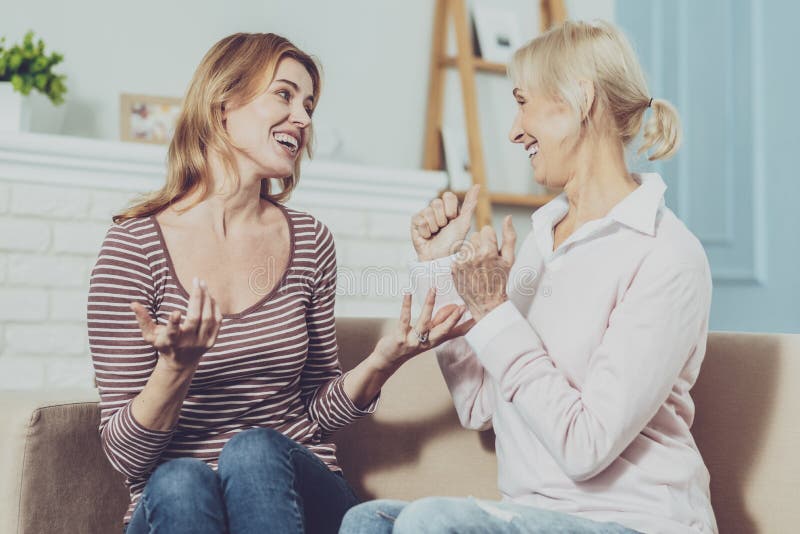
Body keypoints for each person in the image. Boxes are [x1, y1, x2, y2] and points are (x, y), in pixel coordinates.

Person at [341, 19, 718, 534]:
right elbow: (479, 407)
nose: (514, 131)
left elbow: (586, 445)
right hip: (535, 515)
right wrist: (442, 269)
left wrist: (494, 310)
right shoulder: (541, 243)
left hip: (635, 523)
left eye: (523, 102)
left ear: (580, 100)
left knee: (432, 520)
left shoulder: (666, 254)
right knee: (367, 522)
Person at [87, 32, 466, 534]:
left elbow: (313, 411)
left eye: (308, 104)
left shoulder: (309, 240)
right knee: (180, 480)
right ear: (223, 104)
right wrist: (176, 369)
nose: (304, 119)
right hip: (177, 506)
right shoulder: (133, 248)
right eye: (284, 95)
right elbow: (127, 459)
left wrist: (381, 362)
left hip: (293, 493)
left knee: (256, 448)